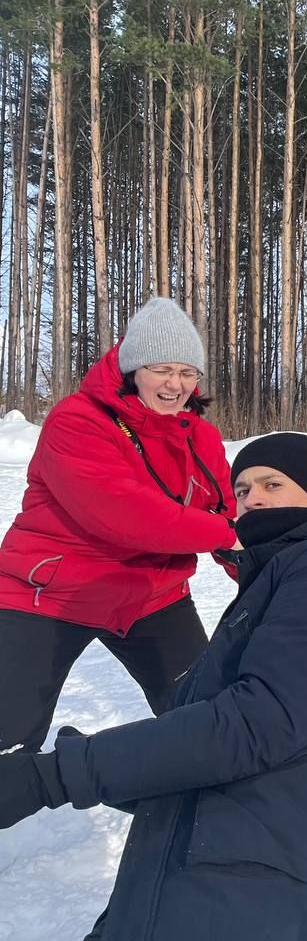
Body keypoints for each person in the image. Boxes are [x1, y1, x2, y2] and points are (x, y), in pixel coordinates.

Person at [0, 434, 307, 941]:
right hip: (206, 865)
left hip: (248, 889)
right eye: (242, 488)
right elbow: (225, 751)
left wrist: (57, 775)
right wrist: (119, 770)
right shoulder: (277, 577)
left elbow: (258, 725)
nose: (253, 498)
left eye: (272, 484)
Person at [0, 296, 237, 755]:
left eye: (188, 373)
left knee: (207, 719)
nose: (176, 385)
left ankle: (203, 819)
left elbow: (228, 514)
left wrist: (279, 572)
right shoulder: (77, 420)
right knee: (8, 738)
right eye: (162, 370)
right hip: (51, 593)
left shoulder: (199, 435)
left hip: (152, 593)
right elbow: (126, 515)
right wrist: (226, 534)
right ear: (133, 369)